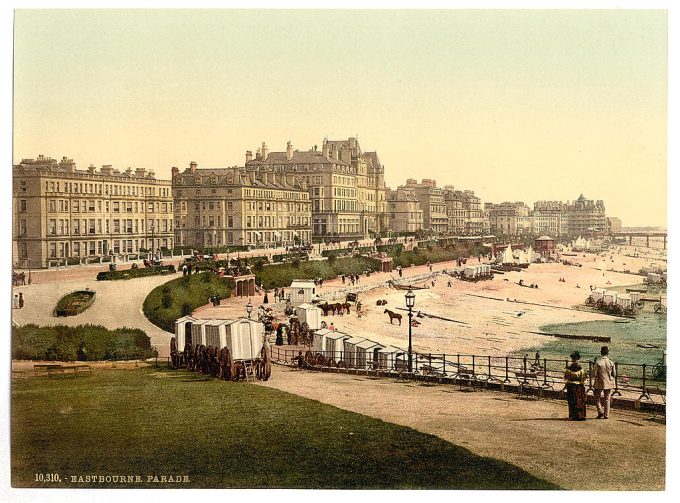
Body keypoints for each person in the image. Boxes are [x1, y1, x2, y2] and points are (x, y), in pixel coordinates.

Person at [594, 346, 616, 419]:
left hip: (600, 382)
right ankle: (606, 415)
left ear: (601, 353)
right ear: (608, 353)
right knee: (607, 399)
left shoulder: (598, 362)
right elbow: (614, 374)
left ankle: (600, 411)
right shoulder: (611, 362)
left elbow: (593, 373)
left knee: (597, 397)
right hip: (609, 383)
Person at [564, 351, 587, 421]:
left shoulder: (568, 369)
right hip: (579, 386)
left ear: (572, 359)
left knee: (571, 401)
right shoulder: (581, 369)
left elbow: (566, 378)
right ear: (578, 360)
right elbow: (583, 379)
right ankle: (580, 416)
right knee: (580, 401)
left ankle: (572, 416)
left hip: (571, 386)